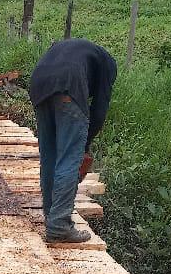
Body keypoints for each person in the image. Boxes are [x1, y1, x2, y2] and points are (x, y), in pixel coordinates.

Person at [28, 38, 117, 243]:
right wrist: (84, 147)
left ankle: (52, 218)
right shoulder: (108, 65)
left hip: (39, 85)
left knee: (49, 158)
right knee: (69, 159)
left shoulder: (77, 51)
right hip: (68, 85)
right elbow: (99, 109)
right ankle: (59, 226)